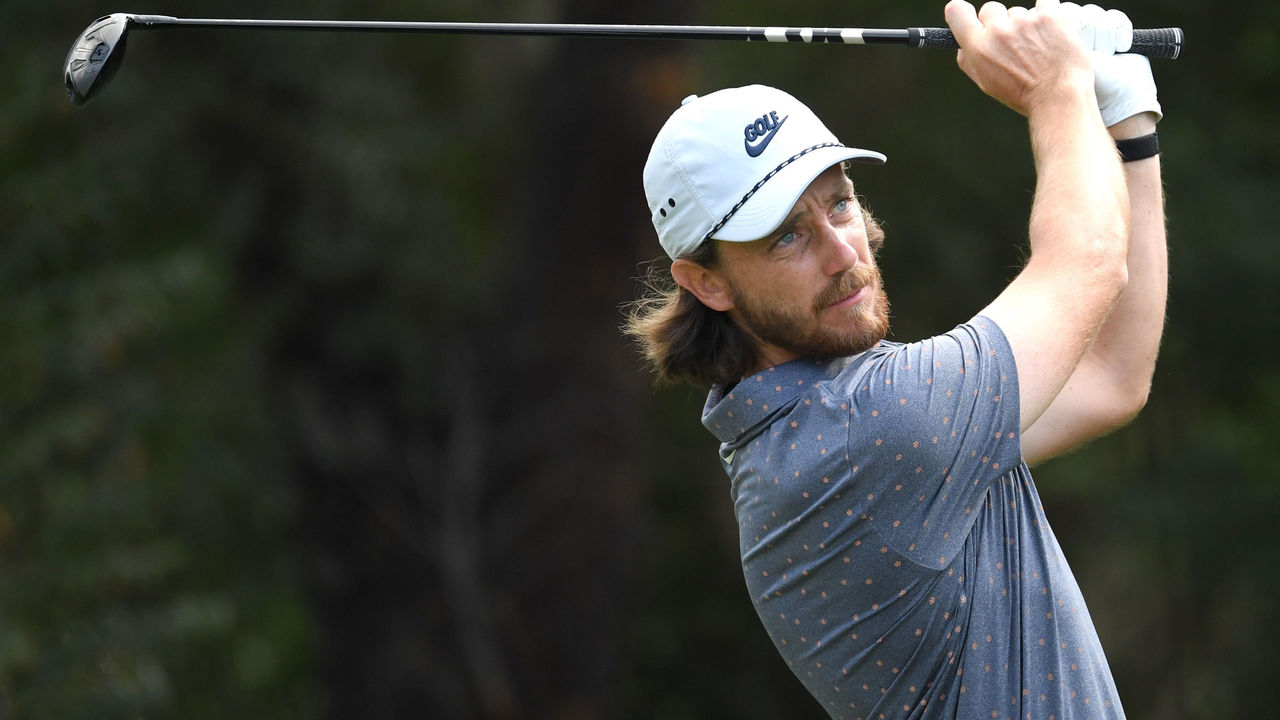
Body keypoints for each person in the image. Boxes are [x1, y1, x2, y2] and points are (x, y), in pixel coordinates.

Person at [624, 0, 1166, 718]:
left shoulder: (820, 423)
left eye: (839, 203)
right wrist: (1057, 87)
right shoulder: (863, 430)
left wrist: (1122, 118)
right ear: (707, 282)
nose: (842, 252)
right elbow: (1087, 263)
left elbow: (1109, 375)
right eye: (786, 237)